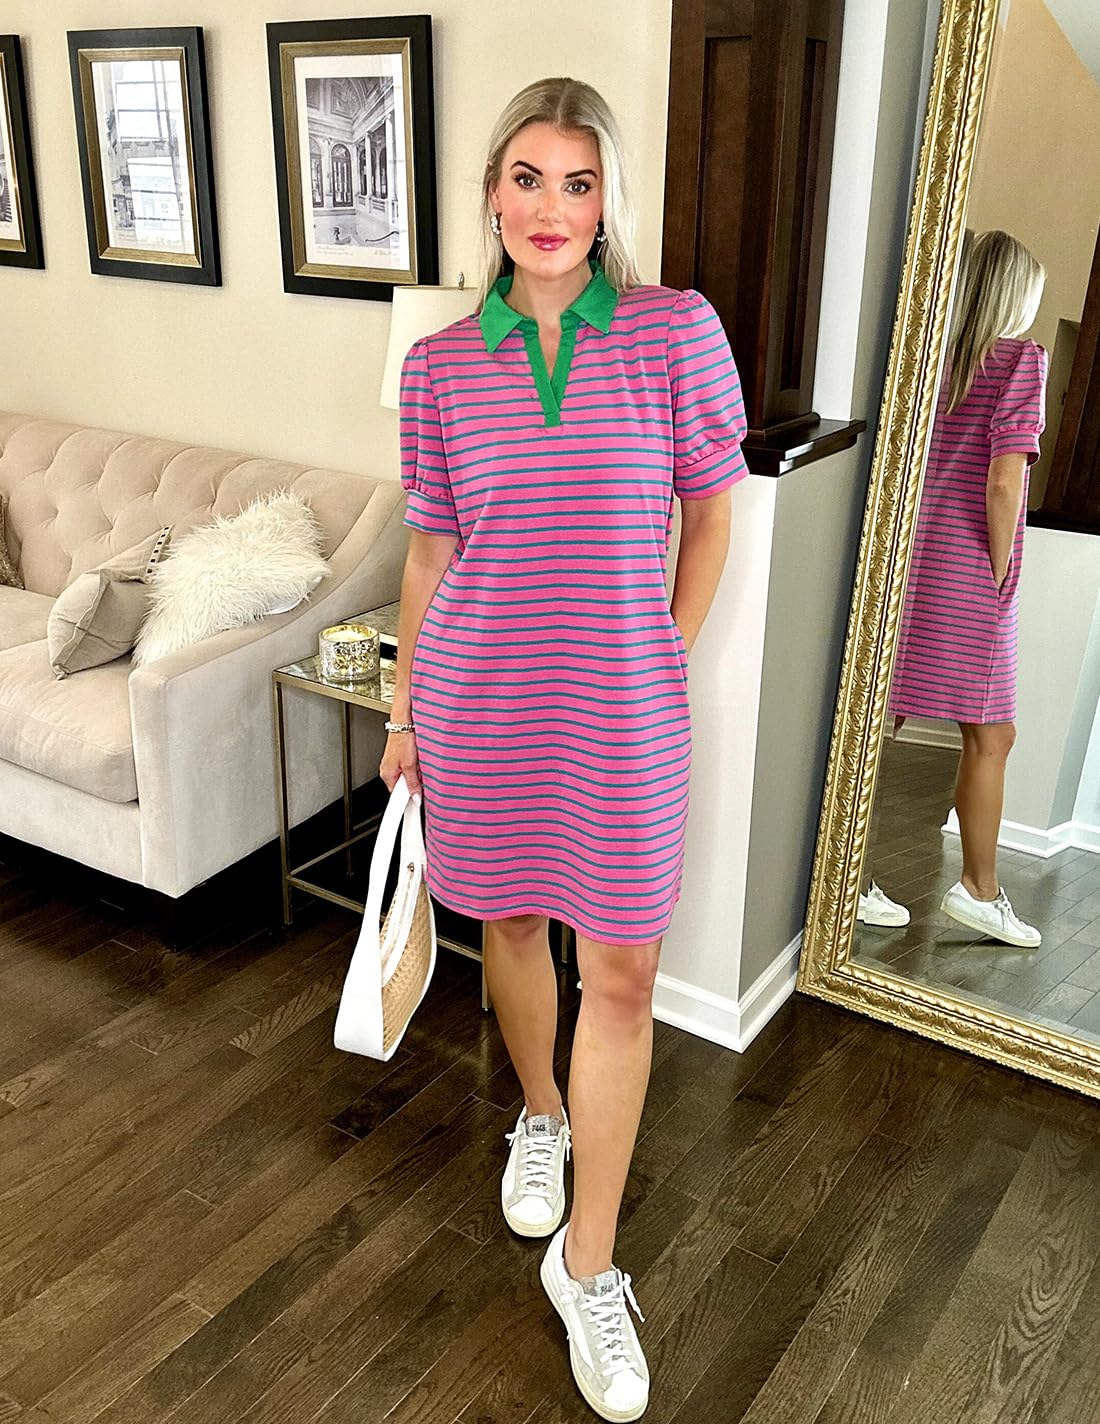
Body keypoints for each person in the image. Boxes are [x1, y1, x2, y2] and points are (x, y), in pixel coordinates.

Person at [379, 77, 748, 1423]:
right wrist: (404, 713)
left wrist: (662, 651)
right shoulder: (436, 365)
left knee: (628, 973)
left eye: (577, 183)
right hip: (478, 702)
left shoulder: (671, 331)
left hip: (623, 712)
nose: (551, 207)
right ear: (492, 191)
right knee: (515, 928)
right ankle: (538, 1110)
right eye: (527, 177)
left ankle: (587, 1265)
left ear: (606, 204)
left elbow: (712, 515)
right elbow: (431, 554)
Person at [889, 229, 1048, 950]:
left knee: (877, 716)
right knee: (993, 734)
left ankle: (841, 876)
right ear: (1016, 297)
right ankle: (980, 891)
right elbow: (1003, 482)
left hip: (907, 558)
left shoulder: (930, 360)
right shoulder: (1022, 360)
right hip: (969, 568)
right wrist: (1000, 569)